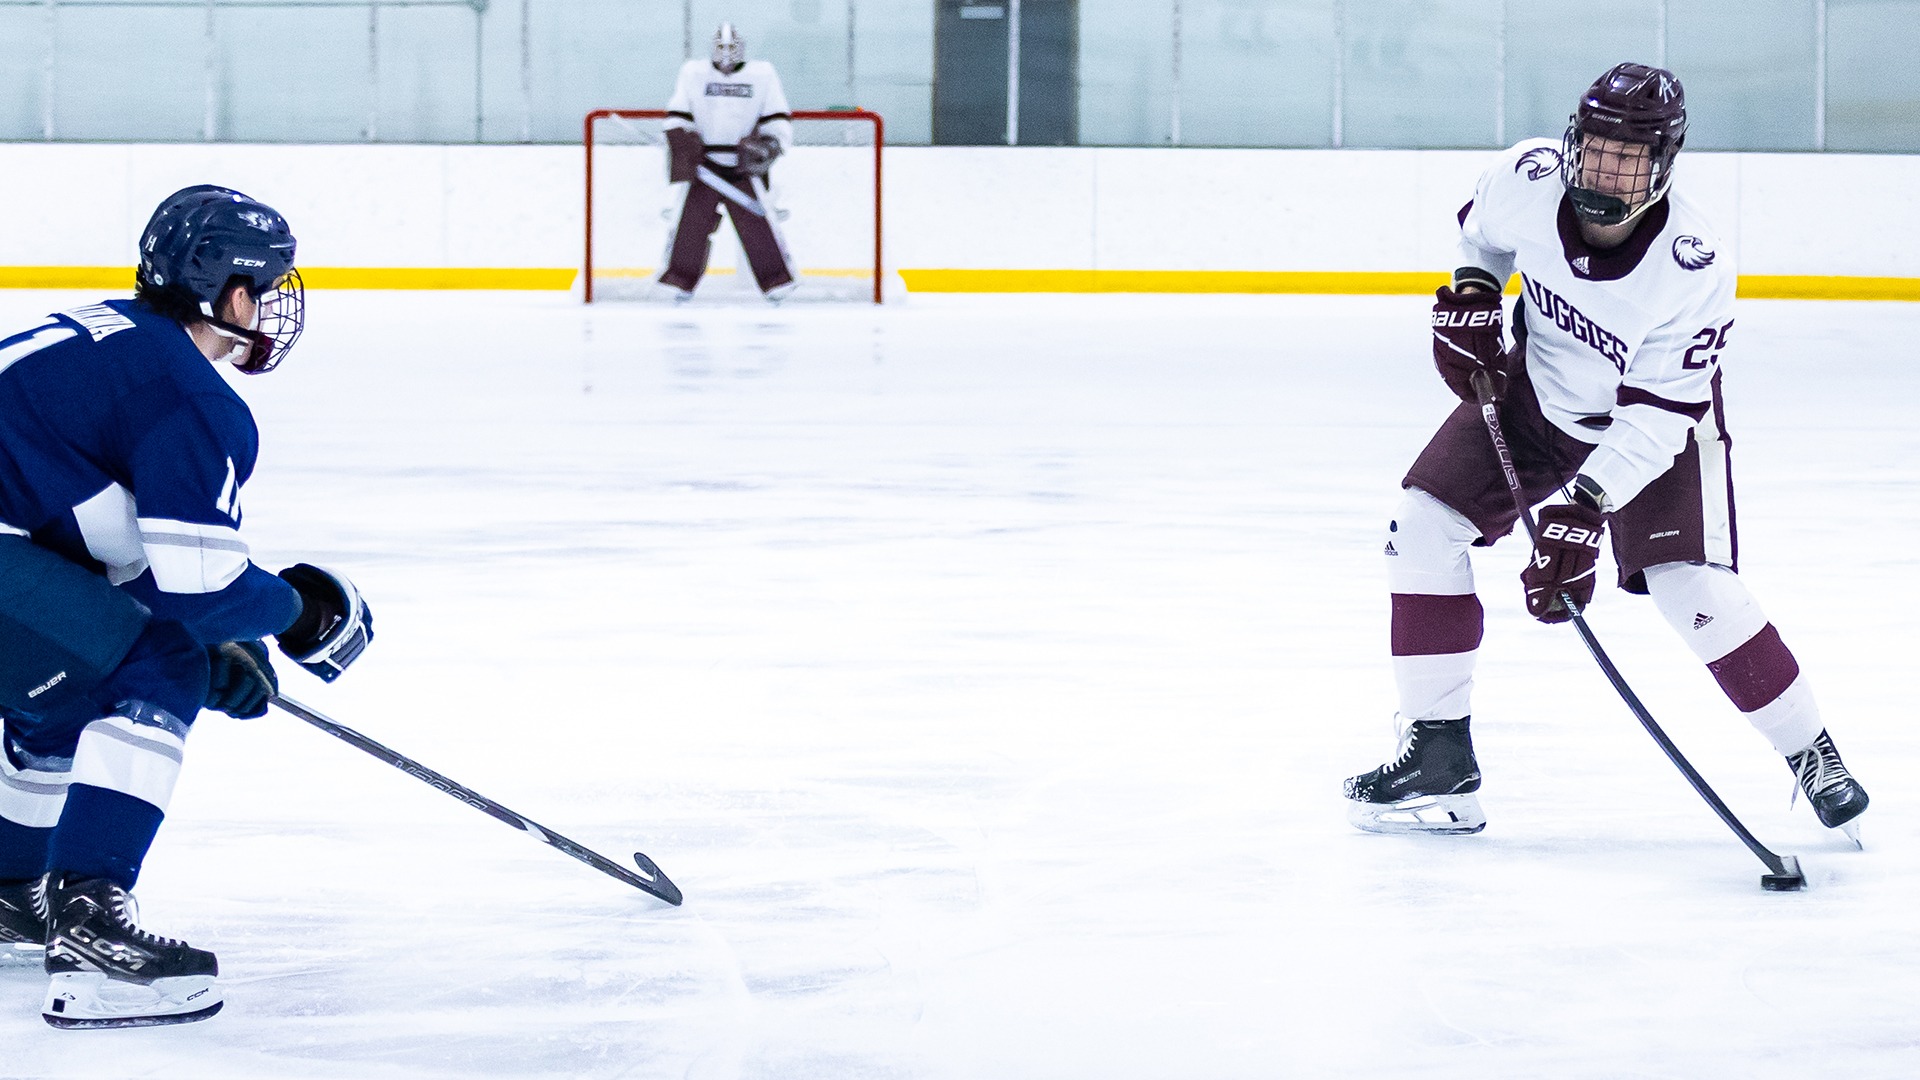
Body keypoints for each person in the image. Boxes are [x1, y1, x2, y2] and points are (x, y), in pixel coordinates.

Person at [1343, 63, 1870, 842]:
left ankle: (1812, 755)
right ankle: (1440, 756)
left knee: (1690, 589)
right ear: (1570, 143)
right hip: (1536, 396)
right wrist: (1472, 294)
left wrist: (1584, 511)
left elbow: (1659, 415)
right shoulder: (1526, 177)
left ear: (1664, 166)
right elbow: (1480, 238)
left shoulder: (1692, 266)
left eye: (1631, 158)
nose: (1607, 170)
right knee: (1419, 528)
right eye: (1595, 148)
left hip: (1656, 430)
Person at [0, 185, 373, 1028]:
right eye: (268, 284)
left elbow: (92, 540)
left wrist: (210, 634)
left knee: (67, 688)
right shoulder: (195, 399)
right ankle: (93, 939)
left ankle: (8, 896)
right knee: (154, 669)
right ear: (229, 291)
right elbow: (198, 591)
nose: (276, 303)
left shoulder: (110, 339)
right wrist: (294, 614)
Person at [656, 22, 798, 302]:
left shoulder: (762, 74)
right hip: (703, 164)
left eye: (732, 47)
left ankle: (776, 280)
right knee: (691, 225)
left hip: (744, 166)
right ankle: (679, 280)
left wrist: (769, 145)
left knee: (759, 225)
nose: (726, 53)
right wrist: (683, 144)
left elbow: (776, 118)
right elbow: (678, 115)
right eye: (720, 47)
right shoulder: (693, 73)